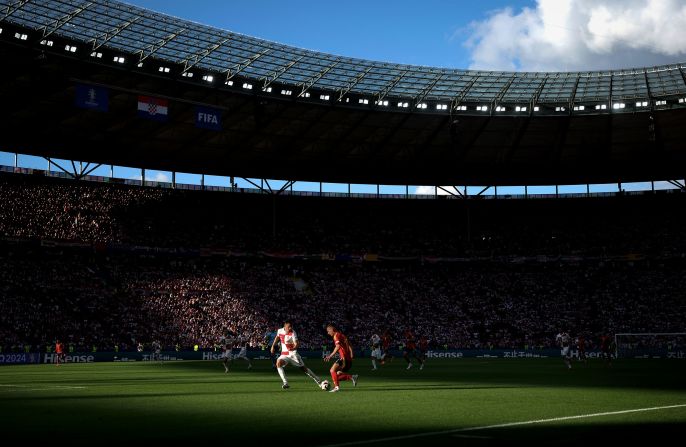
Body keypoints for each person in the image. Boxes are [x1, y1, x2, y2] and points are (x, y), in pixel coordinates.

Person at [270, 321, 321, 389]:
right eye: (289, 326)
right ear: (284, 326)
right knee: (278, 363)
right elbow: (277, 337)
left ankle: (317, 380)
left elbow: (297, 343)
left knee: (303, 369)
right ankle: (285, 383)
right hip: (284, 354)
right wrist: (273, 346)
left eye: (291, 326)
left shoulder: (293, 333)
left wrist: (294, 348)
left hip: (293, 354)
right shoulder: (280, 331)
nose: (290, 328)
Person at [324, 324, 358, 393]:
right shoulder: (342, 335)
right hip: (347, 358)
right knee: (337, 376)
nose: (328, 333)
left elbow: (338, 346)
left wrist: (330, 356)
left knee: (332, 370)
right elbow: (349, 345)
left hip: (344, 358)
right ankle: (352, 377)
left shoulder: (336, 336)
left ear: (332, 330)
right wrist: (351, 353)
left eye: (328, 331)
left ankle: (337, 388)